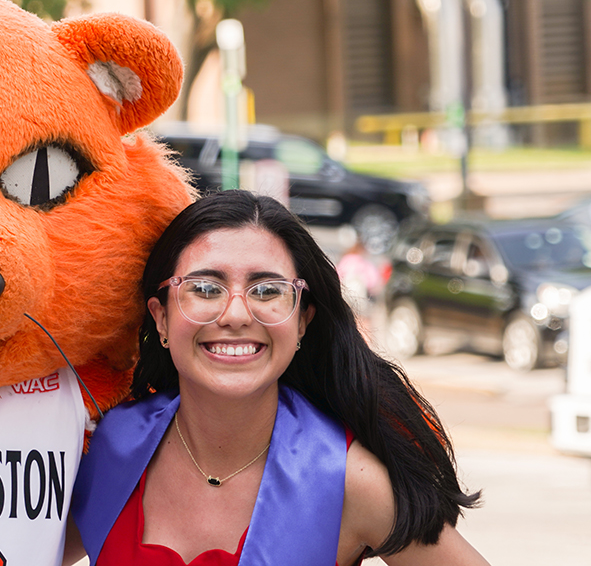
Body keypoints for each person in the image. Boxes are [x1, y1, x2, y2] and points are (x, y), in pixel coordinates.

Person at [69, 190, 487, 565]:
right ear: (161, 318)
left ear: (303, 321)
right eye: (206, 288)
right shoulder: (110, 446)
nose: (235, 315)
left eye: (267, 291)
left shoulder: (345, 479)